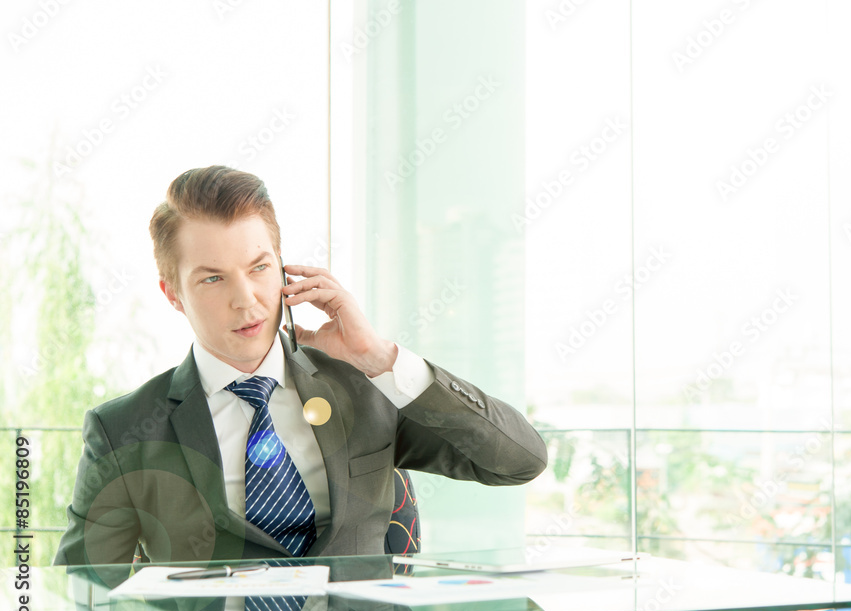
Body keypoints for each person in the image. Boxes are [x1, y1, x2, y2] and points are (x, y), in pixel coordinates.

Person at [53, 165, 547, 568]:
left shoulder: (366, 384)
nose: (246, 300)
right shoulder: (124, 431)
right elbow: (82, 594)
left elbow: (520, 460)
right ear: (173, 294)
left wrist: (379, 358)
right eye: (212, 279)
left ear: (284, 270)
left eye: (259, 267)